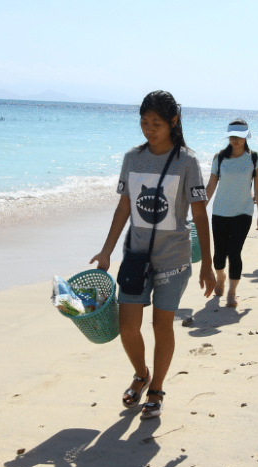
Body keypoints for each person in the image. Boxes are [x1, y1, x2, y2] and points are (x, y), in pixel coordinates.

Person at [90, 91, 216, 420]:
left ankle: (157, 387)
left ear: (174, 122)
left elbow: (200, 215)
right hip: (136, 255)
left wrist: (209, 266)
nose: (149, 129)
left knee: (162, 326)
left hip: (174, 258)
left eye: (156, 123)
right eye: (144, 122)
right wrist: (106, 251)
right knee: (128, 326)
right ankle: (141, 373)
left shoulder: (187, 162)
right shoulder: (133, 159)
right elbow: (123, 207)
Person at [204, 119, 258, 307]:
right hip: (220, 212)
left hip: (243, 212)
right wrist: (199, 209)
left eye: (239, 136)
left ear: (246, 137)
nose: (235, 140)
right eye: (232, 136)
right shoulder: (219, 158)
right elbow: (211, 185)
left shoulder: (254, 159)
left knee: (234, 252)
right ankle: (220, 277)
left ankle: (232, 292)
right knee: (219, 255)